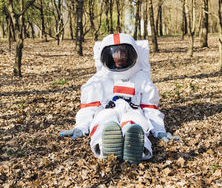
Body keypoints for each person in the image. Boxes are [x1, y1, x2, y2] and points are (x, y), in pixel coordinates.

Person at [59, 33, 179, 164]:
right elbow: (90, 108)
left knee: (135, 124)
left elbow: (150, 109)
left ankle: (138, 148)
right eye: (115, 52)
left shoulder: (141, 78)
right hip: (106, 110)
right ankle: (105, 147)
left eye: (123, 52)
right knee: (103, 123)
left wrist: (159, 130)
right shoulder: (98, 80)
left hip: (133, 111)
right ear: (108, 55)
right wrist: (81, 126)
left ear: (131, 54)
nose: (120, 56)